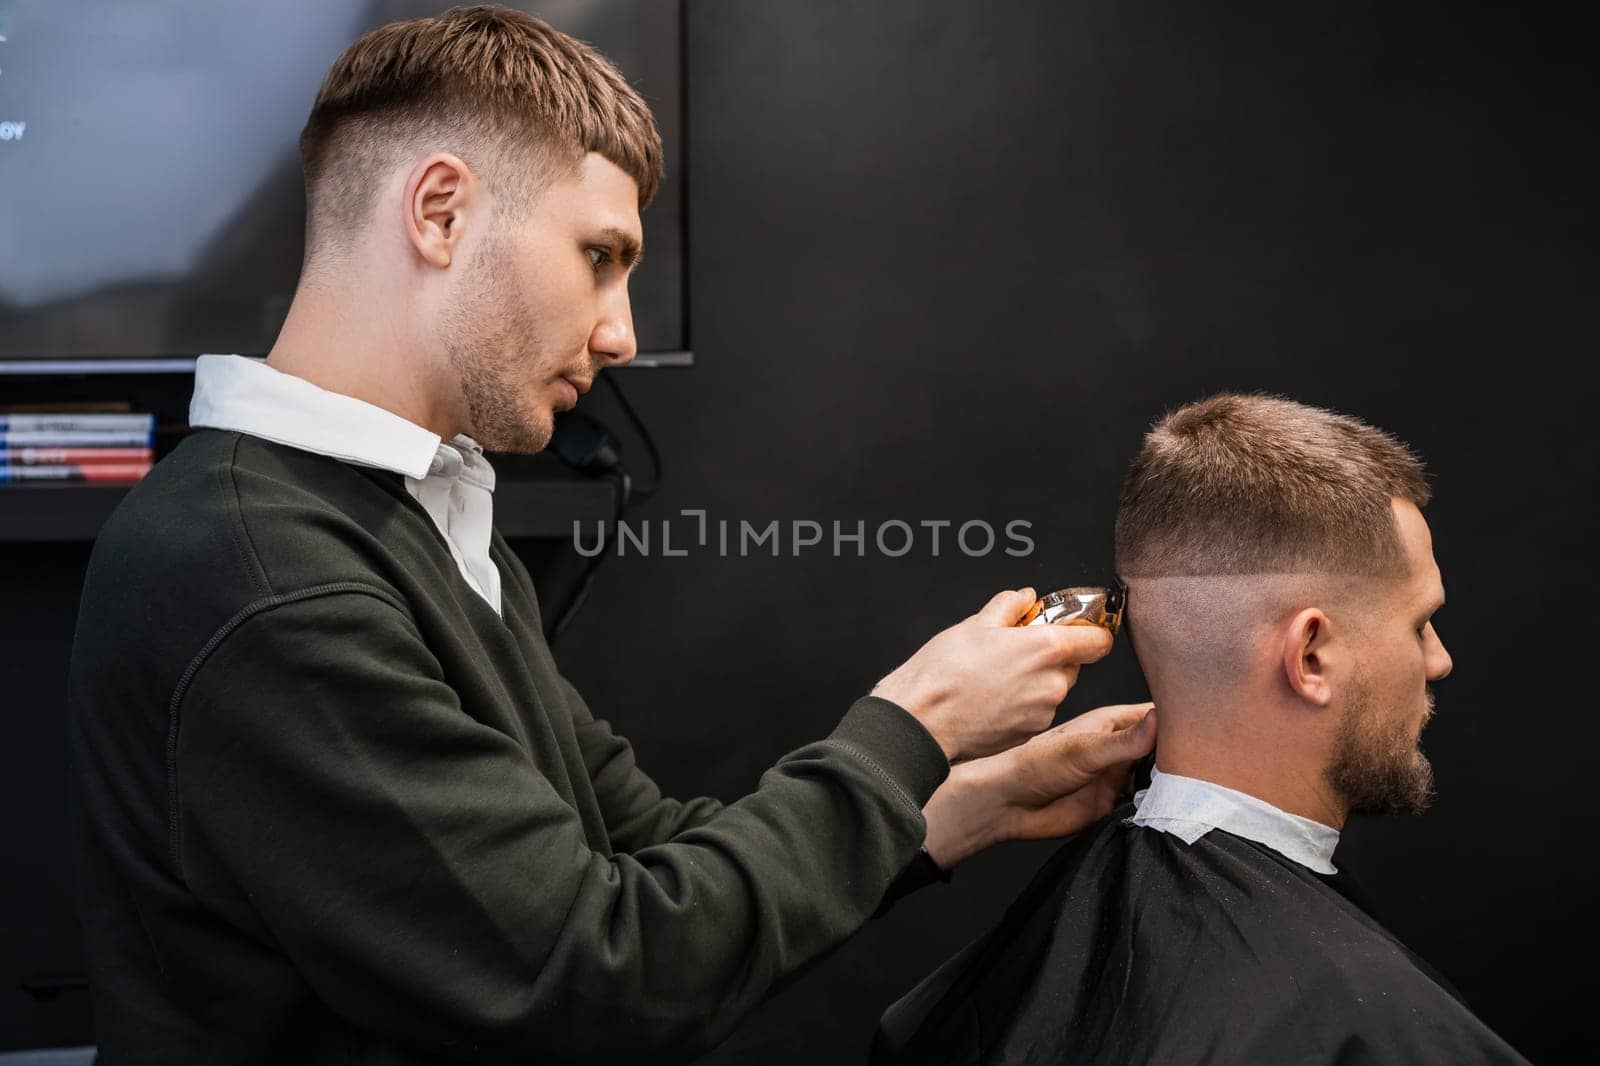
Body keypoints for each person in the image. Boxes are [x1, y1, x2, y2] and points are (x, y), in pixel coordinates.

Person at [64, 7, 1156, 1064]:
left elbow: (640, 853)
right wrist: (907, 728)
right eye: (599, 255)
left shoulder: (428, 520)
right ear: (440, 211)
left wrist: (967, 800)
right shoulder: (263, 581)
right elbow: (601, 971)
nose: (621, 333)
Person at [872, 393, 1531, 1066]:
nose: (1438, 660)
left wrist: (969, 805)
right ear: (1310, 656)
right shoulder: (1386, 1037)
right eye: (1418, 622)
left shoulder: (965, 1001)